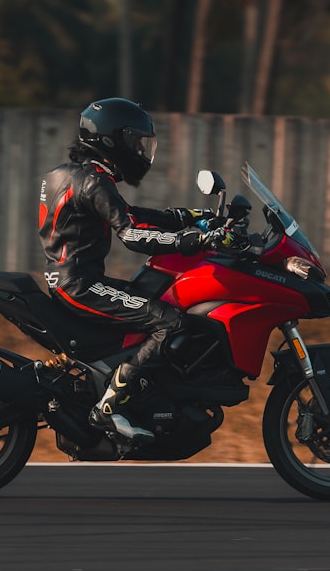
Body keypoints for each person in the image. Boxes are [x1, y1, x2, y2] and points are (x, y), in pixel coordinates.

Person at [38, 97, 215, 444]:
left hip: (64, 280)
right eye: (134, 141)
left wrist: (186, 217)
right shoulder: (95, 181)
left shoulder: (68, 174)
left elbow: (125, 212)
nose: (139, 150)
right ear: (110, 139)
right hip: (81, 285)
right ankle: (109, 407)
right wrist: (186, 242)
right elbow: (132, 233)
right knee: (171, 321)